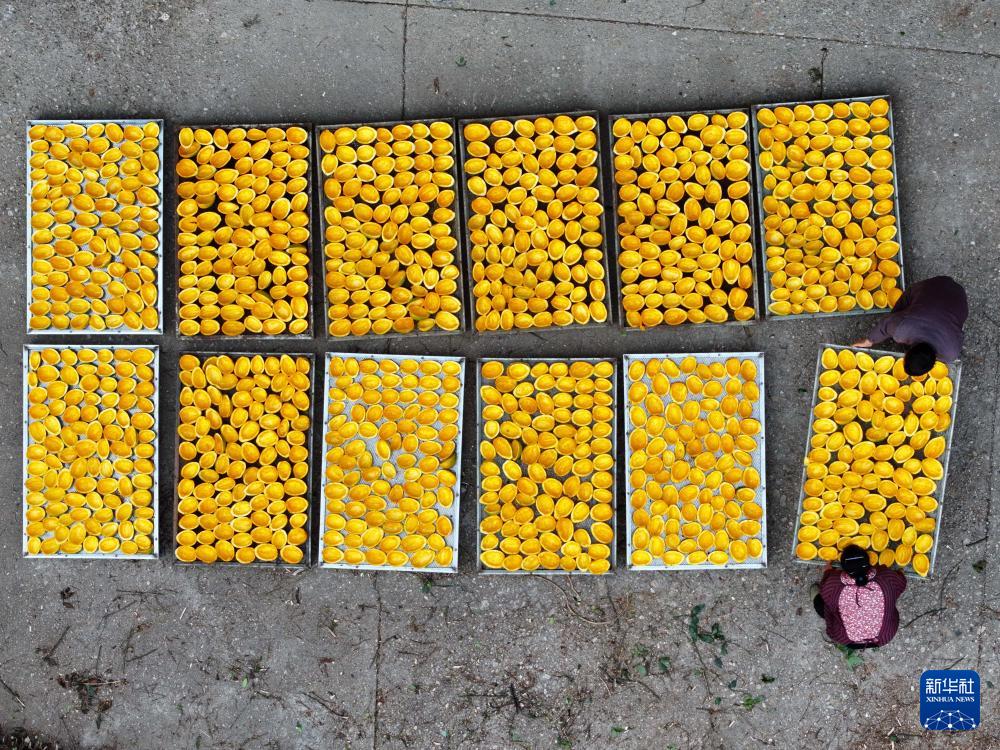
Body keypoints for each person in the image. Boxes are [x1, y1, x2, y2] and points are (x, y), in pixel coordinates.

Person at [852, 275, 968, 376]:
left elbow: (959, 334)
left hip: (956, 293)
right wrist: (869, 341)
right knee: (900, 312)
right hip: (943, 290)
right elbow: (885, 324)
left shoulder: (950, 353)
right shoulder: (903, 329)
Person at [811, 544, 907, 648]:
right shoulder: (885, 576)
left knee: (827, 607)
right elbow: (901, 583)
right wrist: (899, 573)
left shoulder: (833, 583)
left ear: (842, 569)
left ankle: (816, 599)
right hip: (884, 636)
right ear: (869, 563)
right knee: (889, 600)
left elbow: (825, 588)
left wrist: (828, 572)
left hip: (845, 638)